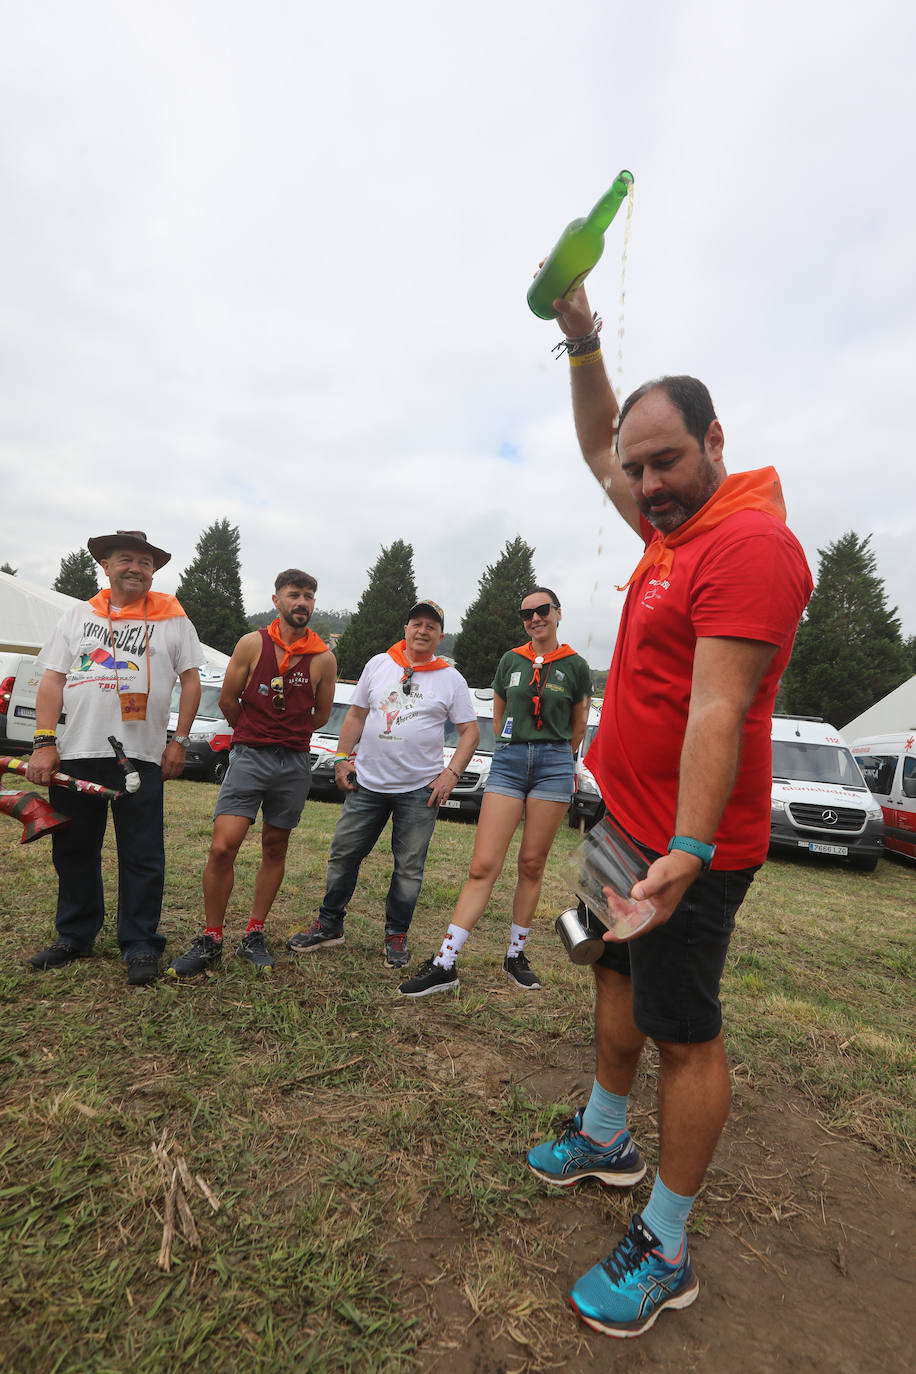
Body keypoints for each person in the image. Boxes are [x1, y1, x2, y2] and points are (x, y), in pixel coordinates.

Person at [525, 289, 813, 1338]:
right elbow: (598, 448)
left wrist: (687, 846)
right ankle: (607, 1137)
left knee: (683, 1033)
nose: (641, 483)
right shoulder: (671, 533)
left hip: (690, 850)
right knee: (607, 972)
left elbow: (718, 708)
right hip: (628, 822)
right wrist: (584, 338)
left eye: (663, 463)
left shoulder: (747, 548)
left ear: (714, 443)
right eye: (634, 467)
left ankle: (669, 1244)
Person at [26, 530, 203, 986]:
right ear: (105, 565)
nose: (136, 569)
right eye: (126, 559)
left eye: (145, 563)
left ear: (153, 571)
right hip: (79, 751)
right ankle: (75, 935)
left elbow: (191, 682)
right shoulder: (77, 615)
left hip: (141, 756)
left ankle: (140, 944)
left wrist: (179, 740)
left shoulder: (173, 619)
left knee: (143, 855)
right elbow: (52, 681)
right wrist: (44, 741)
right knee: (74, 849)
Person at [398, 588, 590, 997]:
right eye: (526, 613)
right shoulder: (510, 660)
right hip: (510, 761)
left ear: (558, 613)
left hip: (553, 765)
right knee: (483, 865)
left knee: (532, 864)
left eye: (542, 610)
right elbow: (499, 710)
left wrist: (556, 753)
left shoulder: (575, 665)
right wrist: (512, 746)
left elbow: (578, 725)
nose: (534, 618)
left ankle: (515, 955)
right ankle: (445, 961)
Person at [286, 600, 479, 969]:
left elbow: (470, 732)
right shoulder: (379, 663)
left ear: (440, 635)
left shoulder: (451, 679)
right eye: (416, 623)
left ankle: (396, 935)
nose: (422, 630)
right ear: (405, 628)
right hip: (367, 784)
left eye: (431, 626)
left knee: (408, 867)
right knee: (344, 855)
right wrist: (342, 758)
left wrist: (451, 773)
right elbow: (356, 714)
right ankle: (329, 924)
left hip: (419, 789)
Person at [167, 570, 336, 978]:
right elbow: (228, 699)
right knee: (223, 847)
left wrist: (285, 735)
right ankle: (211, 937)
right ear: (276, 599)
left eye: (309, 596)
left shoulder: (324, 658)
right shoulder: (251, 643)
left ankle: (254, 933)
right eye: (294, 594)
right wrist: (253, 734)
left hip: (293, 763)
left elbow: (323, 714)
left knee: (275, 847)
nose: (302, 602)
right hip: (249, 756)